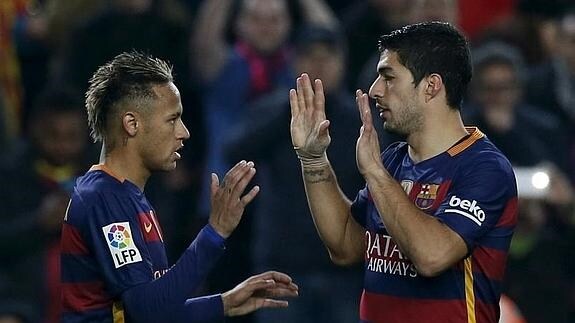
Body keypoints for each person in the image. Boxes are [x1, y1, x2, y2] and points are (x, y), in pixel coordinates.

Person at [289, 21, 518, 322]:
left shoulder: (484, 168)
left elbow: (432, 256)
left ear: (431, 86)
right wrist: (314, 159)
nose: (374, 90)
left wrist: (375, 174)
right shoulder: (395, 160)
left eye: (388, 77)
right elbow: (346, 245)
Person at [60, 51, 298, 322]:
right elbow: (147, 310)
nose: (184, 132)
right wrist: (214, 233)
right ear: (132, 124)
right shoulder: (103, 198)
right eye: (172, 119)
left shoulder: (125, 195)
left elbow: (147, 309)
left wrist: (222, 304)